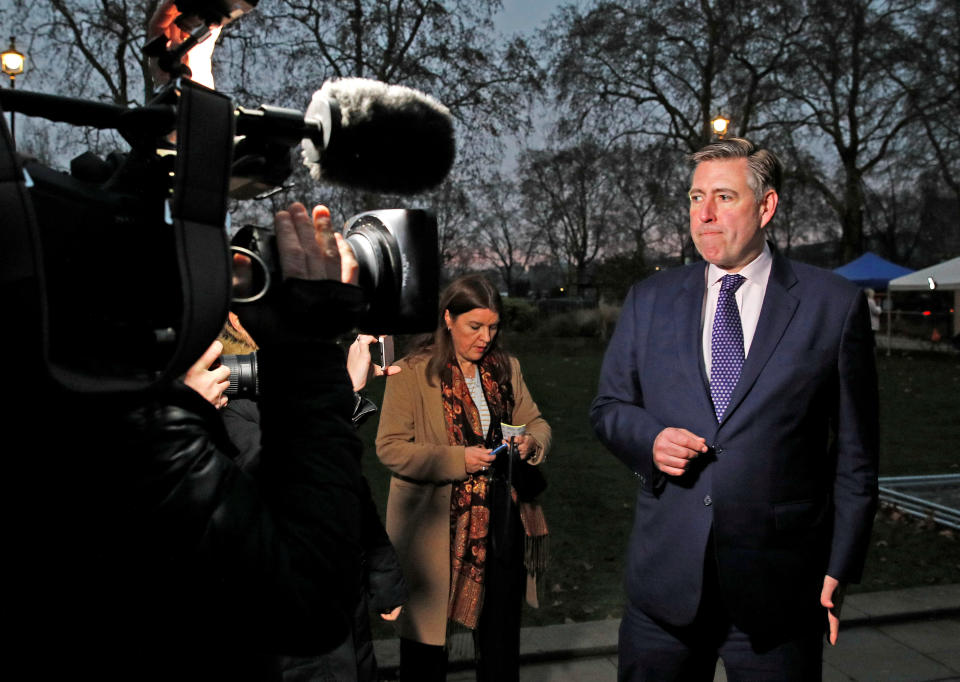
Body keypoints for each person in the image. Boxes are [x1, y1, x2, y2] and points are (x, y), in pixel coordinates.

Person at [591, 138, 879, 681]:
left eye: (724, 196)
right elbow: (608, 407)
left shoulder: (833, 305)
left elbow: (856, 456)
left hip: (780, 593)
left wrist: (841, 565)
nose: (703, 214)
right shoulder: (649, 299)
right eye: (696, 197)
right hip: (665, 591)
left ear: (766, 206)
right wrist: (649, 441)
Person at [376, 274, 551, 682]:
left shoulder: (507, 368)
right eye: (475, 326)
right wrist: (458, 460)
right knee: (424, 655)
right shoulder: (412, 373)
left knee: (501, 648)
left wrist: (530, 443)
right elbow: (390, 447)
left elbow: (537, 422)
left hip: (502, 527)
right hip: (435, 532)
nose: (485, 337)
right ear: (448, 319)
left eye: (493, 327)